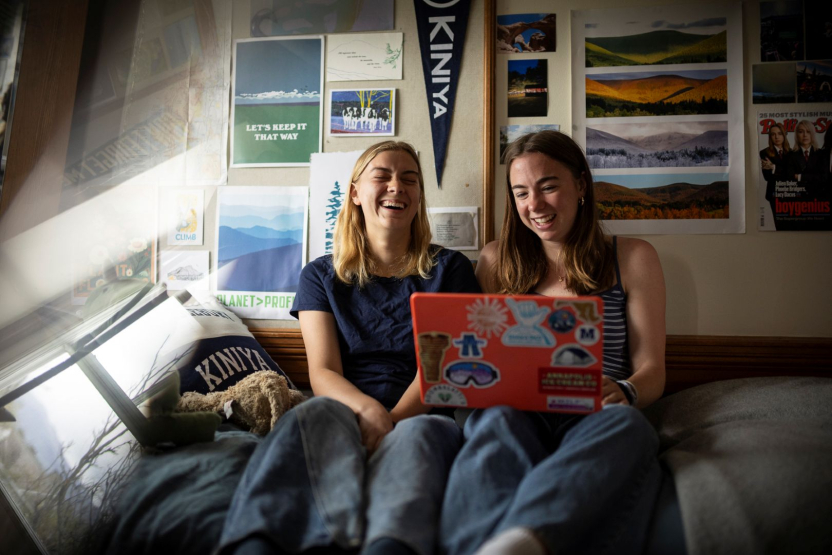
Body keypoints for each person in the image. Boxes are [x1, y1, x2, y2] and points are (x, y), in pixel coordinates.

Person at [218, 141, 481, 555]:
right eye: (383, 176)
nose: (398, 186)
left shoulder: (452, 269)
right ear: (356, 193)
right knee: (312, 413)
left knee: (422, 435)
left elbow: (442, 368)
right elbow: (322, 371)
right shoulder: (320, 275)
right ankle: (259, 542)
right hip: (343, 406)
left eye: (410, 179)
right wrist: (368, 411)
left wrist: (391, 420)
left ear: (419, 198)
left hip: (423, 410)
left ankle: (388, 544)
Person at [439, 131, 666, 555]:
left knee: (630, 427)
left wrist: (626, 391)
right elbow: (475, 353)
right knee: (493, 424)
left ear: (581, 184)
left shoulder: (634, 257)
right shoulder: (494, 260)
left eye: (549, 186)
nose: (535, 205)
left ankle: (524, 541)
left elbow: (652, 370)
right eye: (521, 192)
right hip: (514, 411)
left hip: (596, 414)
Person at [760, 122, 791, 229]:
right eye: (773, 134)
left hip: (791, 192)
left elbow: (792, 174)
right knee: (780, 226)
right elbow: (767, 177)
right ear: (770, 137)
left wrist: (774, 167)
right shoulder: (764, 153)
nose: (776, 137)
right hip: (775, 193)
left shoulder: (792, 152)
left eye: (779, 133)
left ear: (784, 135)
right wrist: (785, 172)